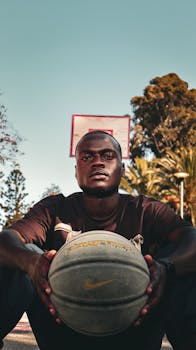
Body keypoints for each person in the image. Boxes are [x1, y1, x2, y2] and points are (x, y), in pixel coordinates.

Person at [0, 130, 196, 350]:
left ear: (122, 169)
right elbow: (6, 239)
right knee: (18, 255)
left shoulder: (145, 210)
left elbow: (191, 239)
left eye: (107, 156)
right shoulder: (54, 209)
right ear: (76, 172)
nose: (97, 163)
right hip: (64, 332)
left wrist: (166, 268)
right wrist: (31, 263)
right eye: (86, 157)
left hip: (134, 333)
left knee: (181, 265)